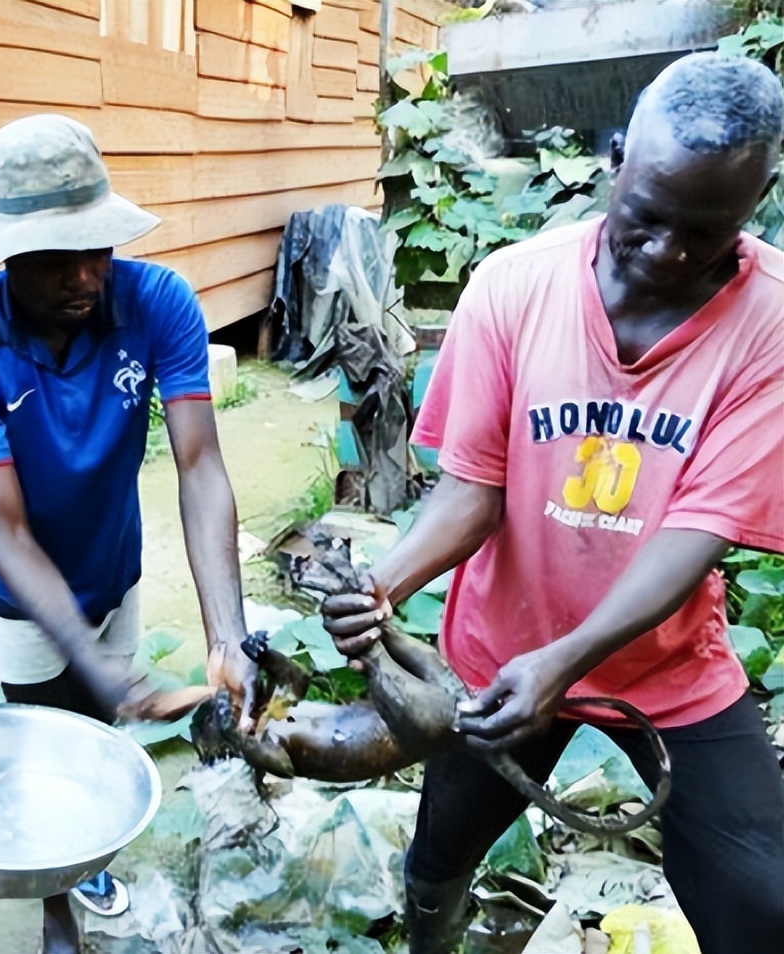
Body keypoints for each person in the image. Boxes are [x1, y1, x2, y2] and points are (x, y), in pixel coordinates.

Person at [323, 52, 784, 954]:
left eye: (709, 232)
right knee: (438, 859)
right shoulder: (514, 284)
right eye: (646, 219)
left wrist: (566, 661)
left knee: (762, 903)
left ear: (754, 206)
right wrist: (382, 581)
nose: (670, 253)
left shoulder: (771, 321)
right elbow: (474, 492)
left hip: (667, 667)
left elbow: (697, 531)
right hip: (501, 654)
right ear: (615, 160)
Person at [0, 114, 257, 953]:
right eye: (54, 260)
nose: (85, 276)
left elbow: (200, 468)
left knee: (100, 745)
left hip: (117, 568)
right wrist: (94, 668)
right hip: (24, 597)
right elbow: (4, 528)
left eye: (96, 250)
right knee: (45, 752)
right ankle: (55, 907)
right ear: (4, 258)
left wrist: (229, 635)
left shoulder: (156, 302)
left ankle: (87, 863)